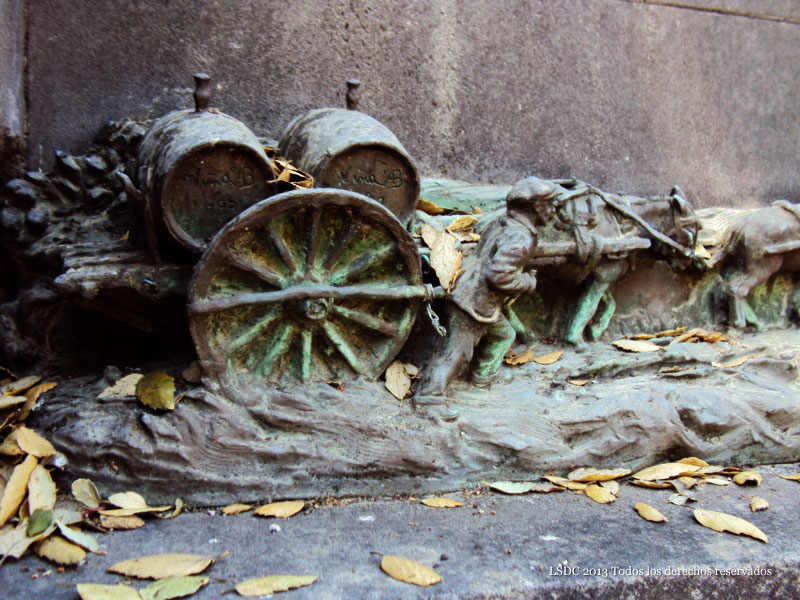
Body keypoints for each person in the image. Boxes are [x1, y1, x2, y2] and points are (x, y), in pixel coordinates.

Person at [413, 176, 559, 420]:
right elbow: (499, 276)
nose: (553, 210)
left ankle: (483, 375)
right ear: (536, 208)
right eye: (550, 204)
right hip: (473, 302)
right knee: (456, 354)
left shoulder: (504, 222)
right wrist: (527, 283)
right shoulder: (520, 238)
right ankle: (429, 397)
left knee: (504, 334)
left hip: (472, 292)